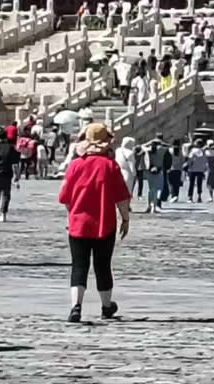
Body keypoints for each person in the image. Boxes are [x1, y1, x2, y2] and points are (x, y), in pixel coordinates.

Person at [58, 123, 131, 323]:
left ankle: (76, 306)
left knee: (78, 266)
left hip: (78, 224)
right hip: (104, 223)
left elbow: (65, 197)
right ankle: (106, 306)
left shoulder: (75, 166)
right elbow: (121, 197)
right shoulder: (110, 166)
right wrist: (125, 218)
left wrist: (72, 215)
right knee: (103, 266)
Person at [143, 138, 167, 213]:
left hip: (149, 170)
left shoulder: (148, 149)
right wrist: (161, 142)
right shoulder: (162, 150)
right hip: (159, 170)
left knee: (151, 189)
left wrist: (149, 142)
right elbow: (168, 146)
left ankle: (150, 205)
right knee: (158, 189)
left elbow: (142, 146)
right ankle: (155, 206)